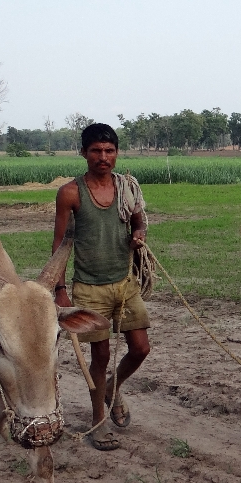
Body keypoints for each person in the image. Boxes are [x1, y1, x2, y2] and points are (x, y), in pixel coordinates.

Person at [53, 123, 151, 450]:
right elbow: (60, 245)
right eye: (96, 150)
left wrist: (139, 237)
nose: (103, 157)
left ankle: (112, 387)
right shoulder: (70, 192)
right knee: (101, 354)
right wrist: (60, 289)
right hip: (89, 289)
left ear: (117, 153)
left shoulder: (127, 187)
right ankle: (98, 420)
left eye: (109, 151)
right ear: (83, 153)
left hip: (125, 283)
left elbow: (138, 221)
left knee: (140, 348)